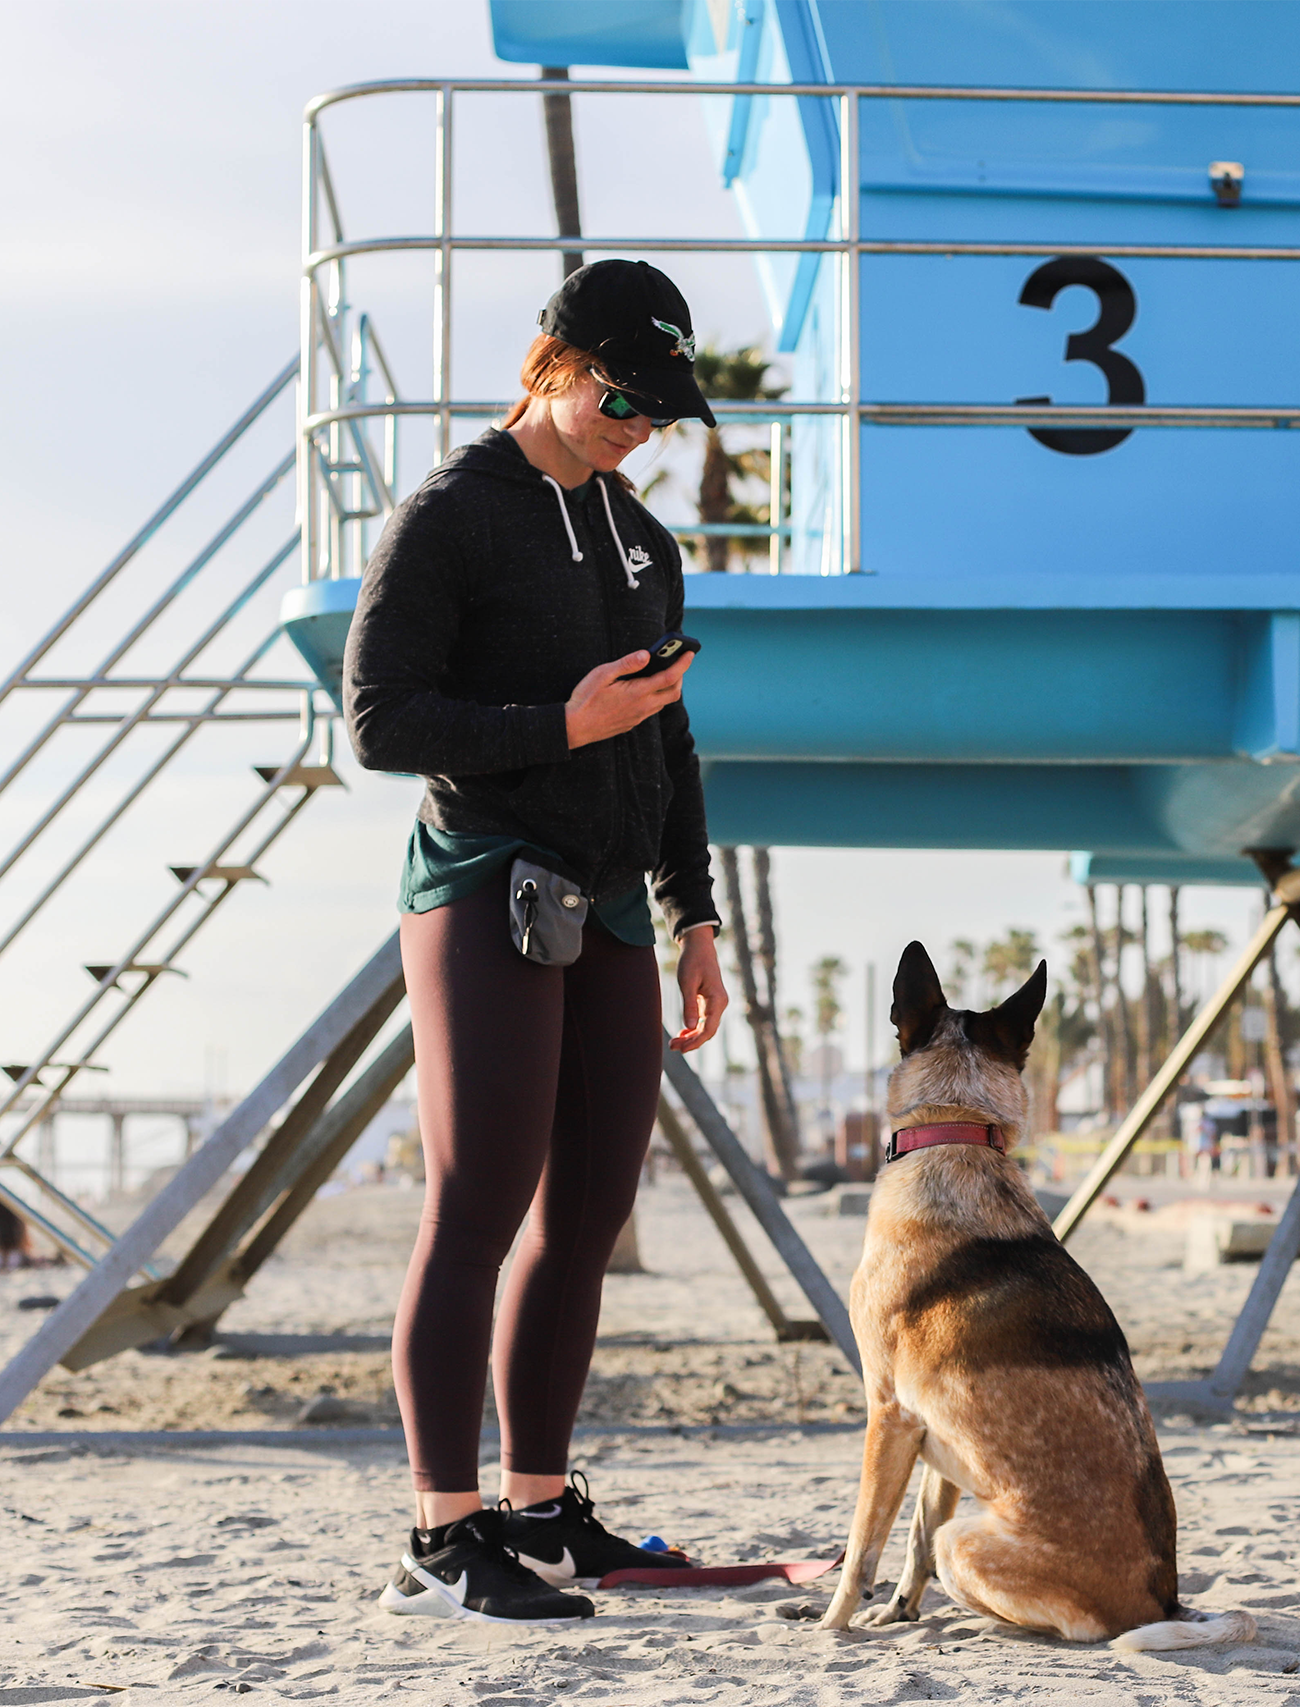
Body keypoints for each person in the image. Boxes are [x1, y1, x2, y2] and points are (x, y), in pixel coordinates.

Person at [342, 260, 730, 1626]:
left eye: (661, 410)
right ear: (551, 361)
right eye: (623, 396)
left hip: (620, 899)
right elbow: (381, 720)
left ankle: (539, 1506)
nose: (639, 426)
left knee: (589, 1216)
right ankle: (442, 1532)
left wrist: (696, 915)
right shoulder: (454, 514)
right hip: (487, 881)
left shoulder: (642, 538)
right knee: (477, 1203)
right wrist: (556, 729)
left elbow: (669, 735)